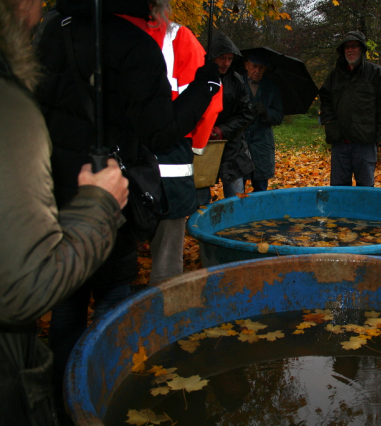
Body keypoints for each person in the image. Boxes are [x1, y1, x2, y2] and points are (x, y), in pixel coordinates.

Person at [34, 0, 219, 421]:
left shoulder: (51, 32)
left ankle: (62, 396)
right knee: (112, 296)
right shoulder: (134, 46)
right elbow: (160, 130)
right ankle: (104, 394)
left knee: (67, 298)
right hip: (108, 190)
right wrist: (204, 87)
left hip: (55, 187)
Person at [0, 0, 129, 424]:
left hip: (50, 193)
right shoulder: (10, 106)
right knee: (108, 293)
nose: (39, 11)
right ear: (18, 6)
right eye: (35, 2)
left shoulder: (46, 52)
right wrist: (100, 202)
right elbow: (26, 286)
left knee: (70, 307)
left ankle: (64, 380)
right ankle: (99, 386)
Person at [120, 5, 223, 284]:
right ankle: (165, 322)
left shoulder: (102, 30)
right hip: (171, 174)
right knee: (166, 270)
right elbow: (212, 103)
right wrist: (198, 146)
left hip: (117, 171)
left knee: (115, 271)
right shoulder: (180, 38)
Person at [319, 30, 381, 187]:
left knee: (365, 192)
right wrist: (327, 120)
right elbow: (324, 98)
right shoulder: (335, 75)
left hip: (365, 144)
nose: (350, 50)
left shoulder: (376, 74)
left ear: (362, 50)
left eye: (354, 46)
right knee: (339, 192)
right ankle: (341, 213)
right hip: (340, 144)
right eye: (347, 47)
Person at [196, 32, 254, 204]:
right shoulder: (198, 77)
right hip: (202, 145)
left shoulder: (236, 81)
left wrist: (222, 130)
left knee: (235, 201)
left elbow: (246, 113)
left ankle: (235, 230)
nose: (226, 63)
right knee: (200, 201)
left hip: (232, 147)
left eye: (229, 58)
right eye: (222, 58)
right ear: (212, 57)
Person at [242, 54, 284, 192]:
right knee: (237, 185)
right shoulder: (236, 84)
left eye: (261, 68)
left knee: (260, 186)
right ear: (246, 65)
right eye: (254, 66)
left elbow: (279, 116)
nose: (257, 71)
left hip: (262, 143)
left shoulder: (272, 88)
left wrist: (266, 111)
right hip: (240, 142)